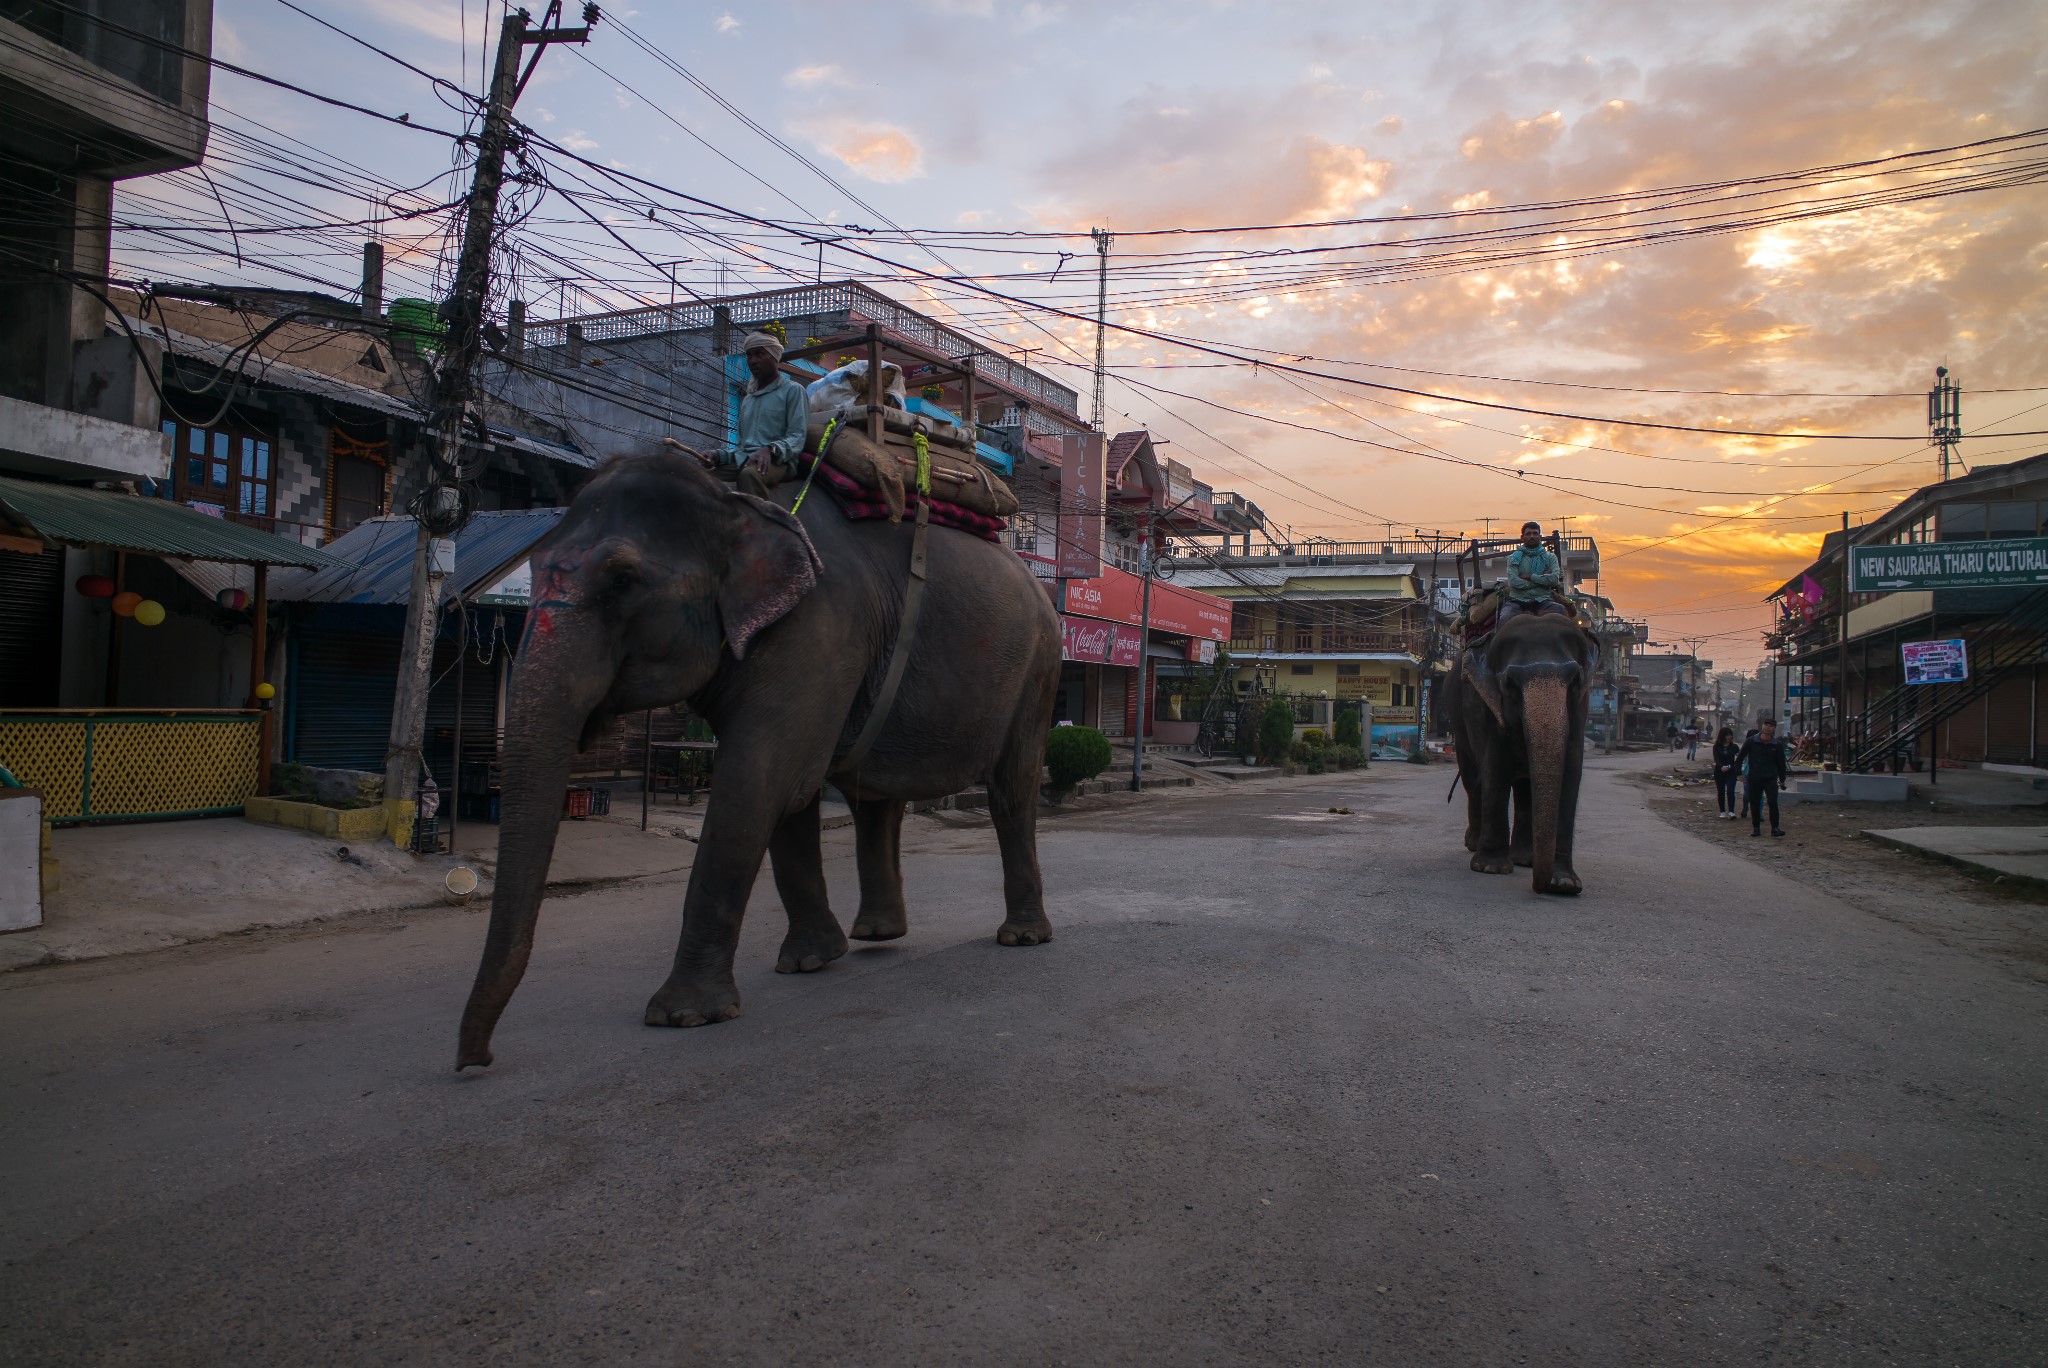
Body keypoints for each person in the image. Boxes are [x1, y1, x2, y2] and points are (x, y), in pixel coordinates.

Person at [700, 331, 809, 496]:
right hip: (745, 459)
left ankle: (758, 521)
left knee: (749, 476)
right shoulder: (749, 398)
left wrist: (770, 449)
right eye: (749, 355)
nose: (753, 361)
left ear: (774, 356)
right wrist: (718, 455)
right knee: (701, 479)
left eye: (760, 354)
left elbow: (797, 436)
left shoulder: (793, 391)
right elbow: (742, 447)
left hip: (779, 462)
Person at [1498, 521, 1567, 624]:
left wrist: (1530, 577)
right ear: (1522, 537)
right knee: (1505, 618)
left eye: (1535, 533)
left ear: (1540, 537)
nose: (1532, 536)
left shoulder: (1550, 557)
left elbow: (1553, 580)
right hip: (1517, 601)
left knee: (1561, 612)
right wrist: (1542, 580)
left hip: (1543, 600)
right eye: (1528, 534)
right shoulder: (1514, 558)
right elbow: (1513, 582)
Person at [1736, 719, 1790, 837]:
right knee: (1754, 803)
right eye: (1766, 725)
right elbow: (1740, 757)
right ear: (1762, 726)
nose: (1767, 728)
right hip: (1754, 778)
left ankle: (1775, 828)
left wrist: (1782, 779)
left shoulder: (1777, 744)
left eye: (1771, 726)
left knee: (1772, 802)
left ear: (1774, 729)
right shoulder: (1751, 741)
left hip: (1770, 778)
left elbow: (1781, 764)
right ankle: (1756, 828)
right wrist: (1739, 773)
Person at [1711, 726, 1740, 819]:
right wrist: (1721, 766)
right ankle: (1722, 811)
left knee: (1731, 790)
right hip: (1719, 771)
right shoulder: (1716, 747)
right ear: (1723, 736)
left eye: (1730, 735)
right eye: (1727, 735)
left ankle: (1731, 811)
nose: (1729, 737)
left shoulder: (1734, 747)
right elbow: (1716, 758)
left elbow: (1739, 758)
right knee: (1721, 791)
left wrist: (1731, 766)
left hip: (1731, 771)